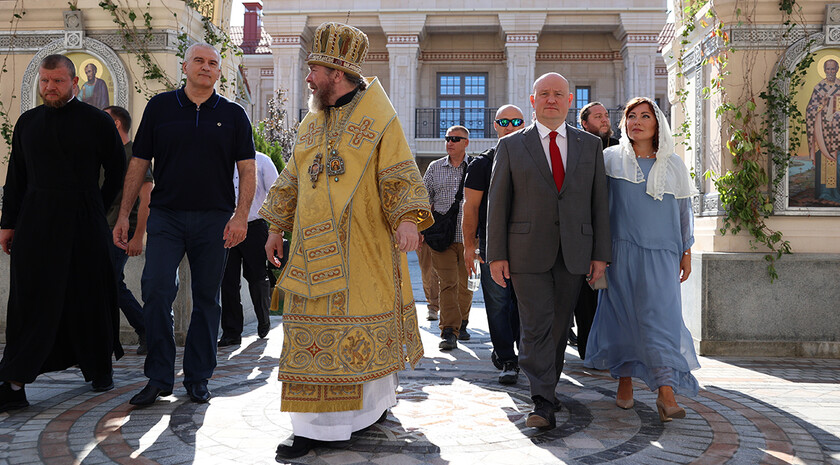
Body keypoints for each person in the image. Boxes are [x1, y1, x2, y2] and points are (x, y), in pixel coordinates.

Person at [260, 21, 431, 460]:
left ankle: (368, 413)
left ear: (337, 73)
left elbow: (400, 172)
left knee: (363, 322)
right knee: (306, 333)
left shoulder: (379, 118)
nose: (308, 77)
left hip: (364, 250)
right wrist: (276, 227)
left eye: (314, 68)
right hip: (309, 254)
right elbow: (292, 178)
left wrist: (409, 218)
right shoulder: (311, 122)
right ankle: (311, 428)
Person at [114, 43, 256, 407]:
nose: (205, 67)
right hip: (166, 216)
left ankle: (198, 378)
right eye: (199, 61)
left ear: (219, 72)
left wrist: (241, 216)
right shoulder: (161, 107)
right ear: (185, 66)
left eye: (213, 63)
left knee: (208, 299)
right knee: (157, 289)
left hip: (215, 220)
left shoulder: (234, 114)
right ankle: (159, 377)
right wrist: (124, 216)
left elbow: (247, 169)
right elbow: (138, 164)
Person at [0, 54, 125, 411]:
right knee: (29, 299)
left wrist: (96, 206)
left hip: (84, 221)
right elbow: (17, 178)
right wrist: (8, 224)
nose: (49, 88)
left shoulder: (97, 122)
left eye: (57, 81)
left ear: (73, 82)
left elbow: (117, 171)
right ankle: (14, 381)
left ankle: (99, 368)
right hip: (35, 222)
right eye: (44, 81)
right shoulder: (27, 122)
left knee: (90, 294)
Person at [487, 72, 610, 430]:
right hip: (526, 252)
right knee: (536, 323)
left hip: (575, 251)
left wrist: (600, 253)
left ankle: (547, 389)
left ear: (570, 101)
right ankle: (541, 399)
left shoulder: (590, 146)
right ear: (533, 101)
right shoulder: (511, 146)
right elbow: (498, 202)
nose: (551, 99)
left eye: (558, 94)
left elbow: (598, 203)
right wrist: (496, 255)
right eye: (544, 94)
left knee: (558, 326)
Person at [584, 97, 700, 423]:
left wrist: (686, 252)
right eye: (630, 116)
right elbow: (597, 210)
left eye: (644, 115)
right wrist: (597, 256)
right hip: (619, 254)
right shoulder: (609, 160)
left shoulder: (674, 164)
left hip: (664, 254)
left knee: (661, 321)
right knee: (622, 317)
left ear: (657, 123)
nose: (636, 121)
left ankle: (666, 391)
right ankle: (624, 381)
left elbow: (683, 213)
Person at [463, 105, 524, 384]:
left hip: (530, 245)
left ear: (524, 124)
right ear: (495, 126)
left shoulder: (537, 160)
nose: (510, 126)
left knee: (524, 304)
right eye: (504, 121)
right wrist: (468, 248)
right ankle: (506, 358)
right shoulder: (481, 164)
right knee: (499, 304)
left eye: (516, 121)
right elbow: (471, 209)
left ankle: (524, 355)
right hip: (493, 244)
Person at [571, 101, 620, 358]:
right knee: (586, 297)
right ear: (585, 123)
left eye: (606, 115)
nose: (604, 120)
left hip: (618, 232)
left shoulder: (622, 150)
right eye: (598, 116)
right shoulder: (577, 149)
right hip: (585, 234)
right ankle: (589, 350)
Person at [103, 105, 153, 356]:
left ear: (116, 124)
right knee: (103, 284)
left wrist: (137, 236)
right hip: (101, 229)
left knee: (111, 283)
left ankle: (145, 329)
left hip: (122, 232)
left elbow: (147, 198)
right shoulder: (106, 154)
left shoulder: (134, 154)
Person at [218, 152, 279, 346]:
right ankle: (231, 332)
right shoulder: (221, 160)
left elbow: (276, 192)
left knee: (257, 276)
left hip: (254, 226)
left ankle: (263, 318)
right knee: (228, 281)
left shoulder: (262, 161)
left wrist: (276, 228)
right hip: (226, 229)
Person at [423, 125, 474, 350]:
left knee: (465, 285)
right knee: (448, 284)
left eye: (455, 139)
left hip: (469, 238)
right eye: (447, 138)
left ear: (466, 143)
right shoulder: (434, 168)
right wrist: (420, 229)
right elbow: (424, 199)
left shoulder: (476, 168)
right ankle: (448, 330)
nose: (450, 142)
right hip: (441, 238)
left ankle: (462, 322)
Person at [806, 58, 840, 204]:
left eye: (833, 69)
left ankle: (837, 194)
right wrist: (821, 109)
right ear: (824, 70)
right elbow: (810, 108)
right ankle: (824, 194)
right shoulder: (819, 87)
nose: (831, 72)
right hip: (823, 130)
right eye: (828, 69)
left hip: (838, 130)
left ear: (837, 70)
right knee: (824, 159)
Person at [416, 238, 441, 321]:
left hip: (446, 231)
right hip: (424, 233)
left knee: (449, 272)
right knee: (427, 272)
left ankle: (434, 306)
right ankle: (432, 303)